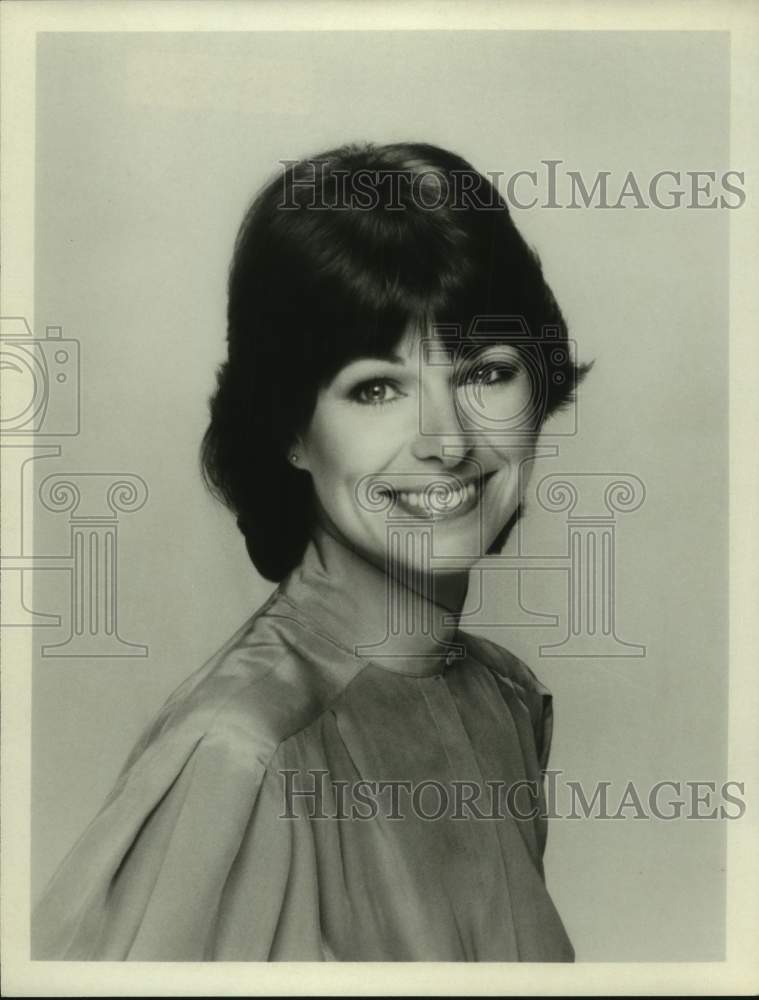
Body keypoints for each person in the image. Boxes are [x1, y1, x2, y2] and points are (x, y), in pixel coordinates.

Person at [32, 141, 591, 961]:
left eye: (485, 371)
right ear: (291, 428)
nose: (446, 440)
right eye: (376, 388)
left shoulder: (504, 700)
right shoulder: (242, 753)